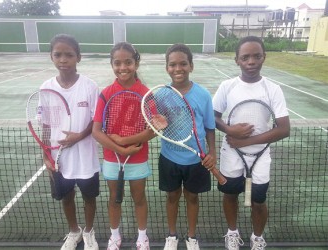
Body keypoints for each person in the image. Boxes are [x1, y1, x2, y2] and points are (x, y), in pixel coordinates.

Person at [212, 36, 290, 250]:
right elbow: (213, 116)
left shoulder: (273, 89)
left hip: (261, 156)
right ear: (237, 60)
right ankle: (232, 233)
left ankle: (257, 238)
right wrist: (229, 130)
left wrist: (244, 141)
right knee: (230, 195)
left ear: (264, 57)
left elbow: (284, 129)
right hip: (231, 155)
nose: (251, 61)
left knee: (258, 201)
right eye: (245, 57)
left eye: (257, 56)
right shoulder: (227, 86)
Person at [42, 34, 100, 250]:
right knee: (66, 197)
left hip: (85, 156)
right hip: (60, 158)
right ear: (51, 57)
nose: (63, 59)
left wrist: (79, 136)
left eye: (69, 55)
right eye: (58, 55)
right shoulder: (46, 88)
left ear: (78, 58)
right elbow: (45, 125)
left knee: (89, 198)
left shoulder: (90, 86)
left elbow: (95, 120)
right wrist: (45, 154)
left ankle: (88, 232)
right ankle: (74, 231)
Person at [92, 42, 151, 250]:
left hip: (138, 157)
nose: (122, 67)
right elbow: (96, 131)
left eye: (128, 62)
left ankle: (142, 237)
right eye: (117, 63)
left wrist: (124, 142)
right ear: (111, 64)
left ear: (136, 63)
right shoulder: (106, 93)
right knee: (114, 200)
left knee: (139, 198)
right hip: (112, 159)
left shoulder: (146, 93)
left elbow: (152, 130)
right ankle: (114, 236)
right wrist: (120, 150)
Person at [160, 43, 217, 250]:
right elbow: (155, 122)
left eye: (183, 64)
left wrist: (212, 152)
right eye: (172, 64)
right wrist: (158, 121)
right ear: (167, 68)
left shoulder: (202, 95)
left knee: (192, 197)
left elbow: (210, 128)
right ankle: (172, 236)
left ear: (191, 66)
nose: (178, 69)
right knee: (172, 196)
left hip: (196, 159)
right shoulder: (161, 95)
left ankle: (192, 237)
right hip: (169, 157)